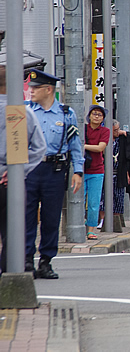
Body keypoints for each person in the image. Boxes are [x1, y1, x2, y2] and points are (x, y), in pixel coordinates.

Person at [25, 69, 84, 279]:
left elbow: (75, 145)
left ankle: (45, 261)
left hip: (55, 170)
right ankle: (26, 260)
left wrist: (78, 170)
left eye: (35, 88)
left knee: (51, 218)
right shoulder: (25, 111)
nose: (30, 91)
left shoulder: (66, 113)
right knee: (26, 216)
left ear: (48, 90)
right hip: (29, 169)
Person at [0, 66, 47, 276]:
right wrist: (19, 171)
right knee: (11, 230)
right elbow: (39, 148)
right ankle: (10, 275)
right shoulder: (21, 112)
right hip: (10, 181)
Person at [84, 105, 110, 239]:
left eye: (99, 115)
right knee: (79, 201)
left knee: (94, 203)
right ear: (89, 116)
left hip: (97, 170)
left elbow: (100, 148)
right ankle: (79, 227)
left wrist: (83, 146)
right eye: (94, 114)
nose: (96, 116)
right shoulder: (83, 129)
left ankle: (91, 230)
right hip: (81, 170)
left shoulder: (105, 131)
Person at [102, 120, 130, 229]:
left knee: (118, 197)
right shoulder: (104, 140)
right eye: (115, 130)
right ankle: (103, 220)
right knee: (104, 197)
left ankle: (116, 219)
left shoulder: (120, 140)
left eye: (118, 129)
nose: (117, 132)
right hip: (105, 173)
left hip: (119, 173)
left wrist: (124, 133)